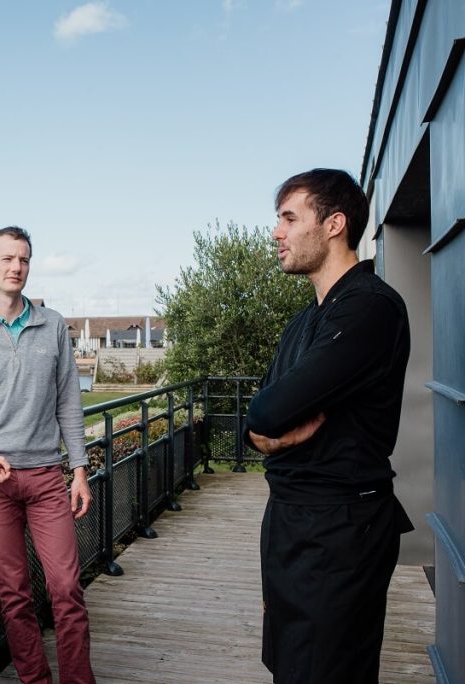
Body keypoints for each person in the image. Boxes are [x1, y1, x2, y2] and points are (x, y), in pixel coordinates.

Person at [245, 169, 414, 684]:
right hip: (291, 522)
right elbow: (255, 420)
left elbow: (270, 413)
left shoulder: (370, 309)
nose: (277, 232)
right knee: (291, 666)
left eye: (290, 218)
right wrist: (268, 430)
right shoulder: (305, 322)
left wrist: (270, 426)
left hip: (341, 530)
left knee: (326, 671)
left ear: (335, 223)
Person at [0, 226, 96, 684]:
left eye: (24, 259)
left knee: (67, 589)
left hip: (48, 479)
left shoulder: (53, 326)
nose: (17, 268)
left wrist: (80, 470)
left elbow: (69, 402)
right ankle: (34, 679)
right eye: (7, 259)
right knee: (14, 594)